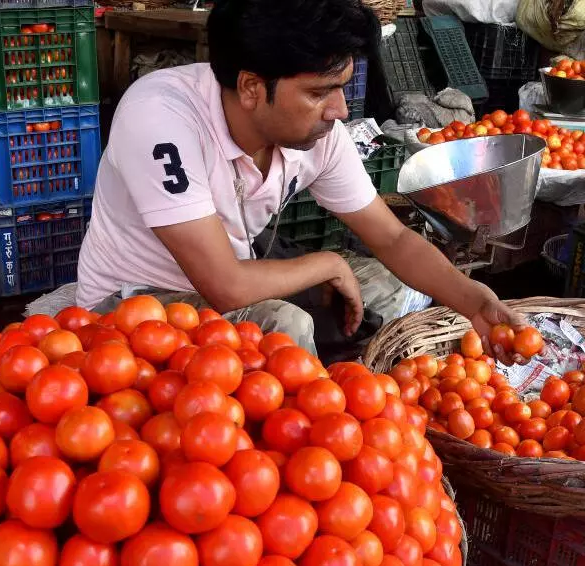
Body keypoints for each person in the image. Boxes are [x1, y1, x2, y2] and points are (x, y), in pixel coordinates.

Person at [76, 0, 521, 355]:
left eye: (342, 87)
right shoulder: (160, 116)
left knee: (390, 287)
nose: (341, 110)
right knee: (287, 324)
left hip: (232, 279)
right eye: (319, 92)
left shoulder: (318, 134)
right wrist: (327, 264)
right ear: (251, 87)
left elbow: (393, 240)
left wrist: (474, 301)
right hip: (132, 305)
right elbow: (225, 285)